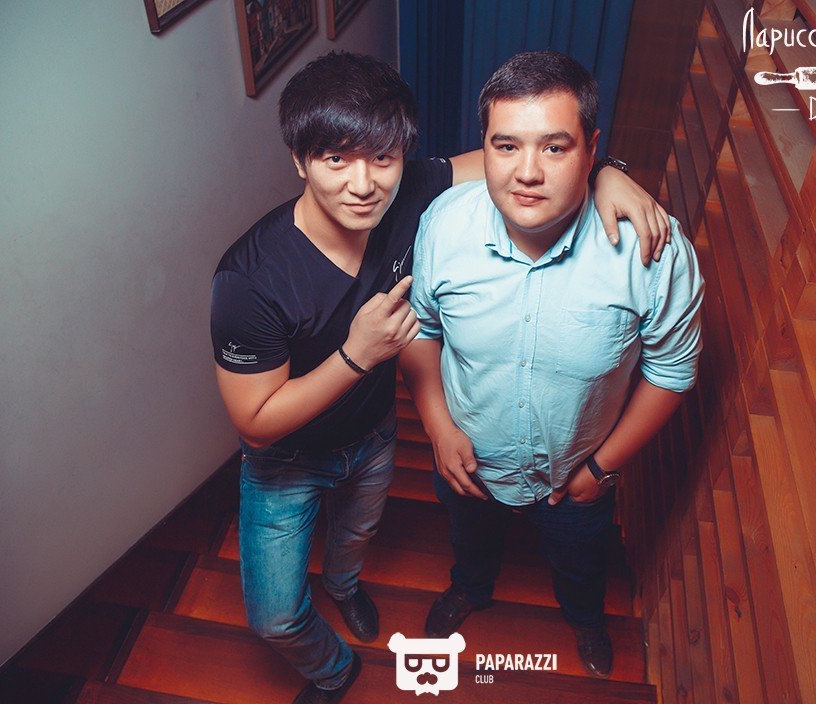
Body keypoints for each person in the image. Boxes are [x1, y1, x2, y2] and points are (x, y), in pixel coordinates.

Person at [210, 51, 673, 703]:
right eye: (335, 159)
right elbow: (254, 425)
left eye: (382, 157)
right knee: (275, 616)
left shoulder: (411, 195)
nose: (362, 184)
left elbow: (516, 159)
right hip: (286, 463)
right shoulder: (249, 280)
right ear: (299, 160)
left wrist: (609, 175)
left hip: (372, 440)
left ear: (402, 155)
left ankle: (345, 587)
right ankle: (336, 671)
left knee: (355, 538)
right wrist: (357, 355)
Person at [401, 50, 705, 679]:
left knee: (580, 562)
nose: (528, 173)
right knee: (468, 542)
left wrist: (600, 467)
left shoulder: (653, 251)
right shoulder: (442, 225)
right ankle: (471, 587)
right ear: (484, 147)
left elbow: (671, 372)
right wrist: (437, 426)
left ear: (592, 151)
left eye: (555, 148)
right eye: (506, 146)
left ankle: (586, 619)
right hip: (466, 457)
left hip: (578, 473)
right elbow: (421, 329)